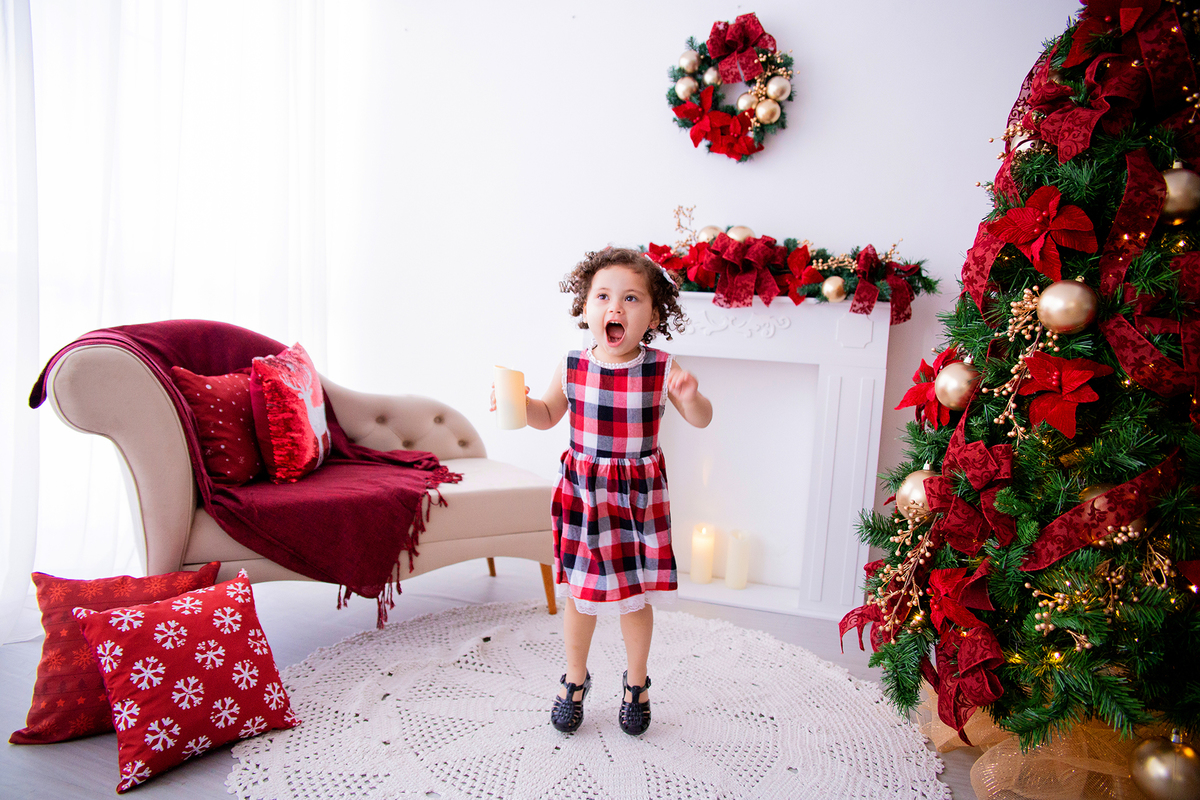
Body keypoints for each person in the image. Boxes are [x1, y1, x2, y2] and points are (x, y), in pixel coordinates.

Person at [493, 247, 712, 736]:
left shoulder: (661, 368)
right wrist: (521, 405)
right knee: (581, 596)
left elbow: (701, 419)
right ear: (586, 309)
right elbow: (546, 415)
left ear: (653, 316)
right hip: (585, 498)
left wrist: (692, 398)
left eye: (631, 298)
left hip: (637, 500)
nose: (616, 307)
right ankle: (575, 678)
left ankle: (637, 683)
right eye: (604, 297)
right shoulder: (572, 364)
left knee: (634, 598)